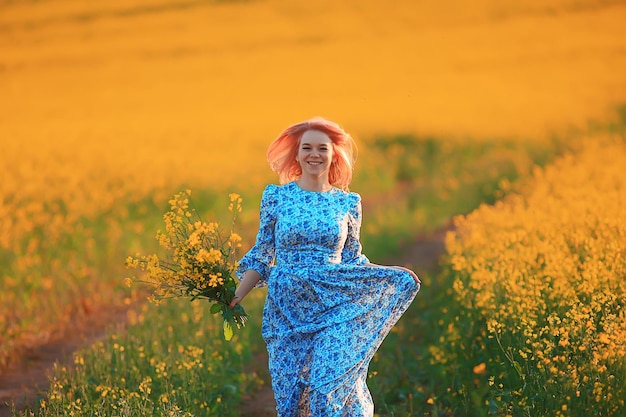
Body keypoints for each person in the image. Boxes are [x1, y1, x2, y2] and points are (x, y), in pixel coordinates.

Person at [229, 117, 420, 416]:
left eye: (322, 148)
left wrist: (391, 277)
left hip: (335, 305)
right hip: (287, 311)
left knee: (324, 390)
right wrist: (236, 294)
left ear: (334, 154)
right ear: (296, 153)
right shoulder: (277, 197)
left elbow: (353, 260)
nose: (314, 154)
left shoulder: (347, 203)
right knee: (292, 400)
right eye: (307, 147)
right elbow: (263, 254)